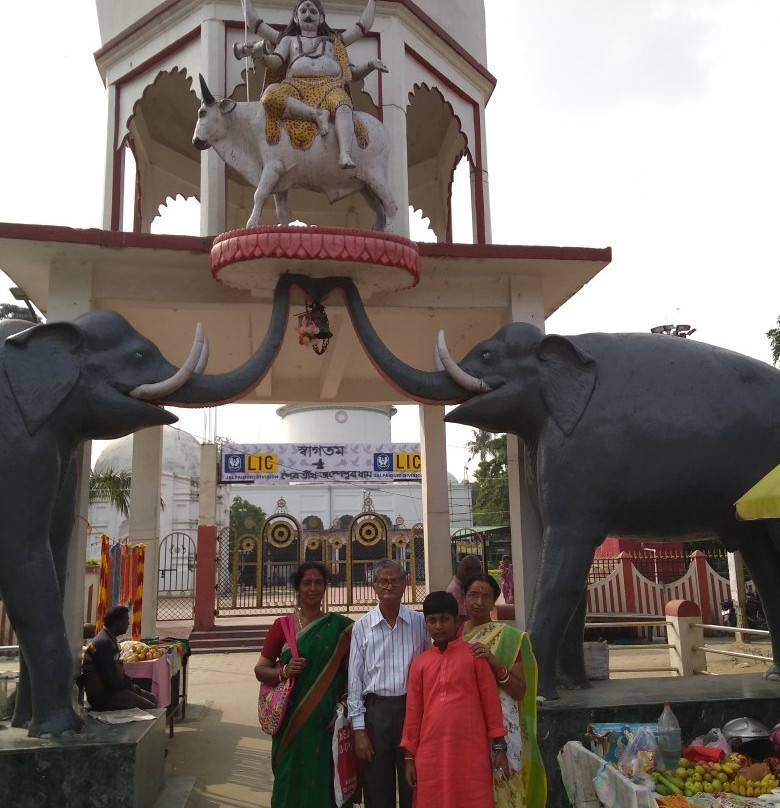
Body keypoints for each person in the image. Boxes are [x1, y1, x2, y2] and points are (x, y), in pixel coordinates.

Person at [242, 0, 387, 168]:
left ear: (321, 18)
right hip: (295, 87)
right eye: (303, 11)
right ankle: (315, 115)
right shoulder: (289, 40)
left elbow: (352, 72)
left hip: (330, 87)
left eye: (313, 11)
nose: (308, 14)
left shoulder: (334, 43)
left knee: (343, 105)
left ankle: (345, 154)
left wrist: (370, 65)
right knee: (270, 96)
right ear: (296, 18)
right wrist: (264, 58)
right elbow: (277, 61)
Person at [254, 561, 353, 808]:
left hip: (326, 722)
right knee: (290, 779)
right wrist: (284, 671)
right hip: (291, 721)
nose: (313, 588)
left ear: (325, 587)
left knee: (326, 781)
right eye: (307, 583)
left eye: (318, 583)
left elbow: (353, 675)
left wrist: (344, 706)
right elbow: (260, 669)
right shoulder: (283, 626)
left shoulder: (341, 627)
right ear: (297, 588)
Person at [400, 591, 510, 808]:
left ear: (457, 621)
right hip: (431, 753)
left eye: (444, 619)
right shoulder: (420, 664)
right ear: (425, 624)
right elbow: (413, 713)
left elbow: (491, 705)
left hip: (470, 750)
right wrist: (409, 758)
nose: (438, 626)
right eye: (432, 620)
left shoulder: (475, 657)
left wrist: (499, 747)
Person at [347, 559, 429, 808]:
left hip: (412, 712)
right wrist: (359, 730)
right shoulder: (362, 627)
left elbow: (429, 668)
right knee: (377, 786)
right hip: (376, 715)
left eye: (395, 580)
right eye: (384, 581)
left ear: (405, 584)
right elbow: (355, 682)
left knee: (413, 783)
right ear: (374, 587)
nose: (389, 585)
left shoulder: (419, 623)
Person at [461, 573, 547, 808]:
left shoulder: (509, 638)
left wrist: (494, 662)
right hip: (464, 727)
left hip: (500, 728)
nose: (479, 602)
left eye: (486, 596)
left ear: (493, 602)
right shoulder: (453, 635)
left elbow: (519, 691)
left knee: (504, 789)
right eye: (473, 595)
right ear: (464, 599)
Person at [81, 605, 157, 711]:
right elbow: (109, 679)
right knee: (150, 707)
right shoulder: (104, 643)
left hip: (112, 689)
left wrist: (129, 683)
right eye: (126, 620)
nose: (128, 624)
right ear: (117, 622)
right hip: (104, 696)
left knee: (152, 698)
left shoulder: (109, 639)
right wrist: (128, 685)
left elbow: (114, 671)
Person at [446, 554, 483, 620]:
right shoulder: (455, 590)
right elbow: (460, 618)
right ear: (469, 571)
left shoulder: (463, 587)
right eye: (477, 574)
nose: (477, 578)